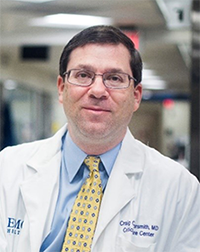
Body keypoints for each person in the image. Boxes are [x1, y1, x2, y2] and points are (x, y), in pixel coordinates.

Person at [0, 25, 200, 252]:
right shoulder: (7, 168)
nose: (97, 90)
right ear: (61, 88)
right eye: (83, 75)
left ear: (136, 96)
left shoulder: (179, 189)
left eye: (114, 78)